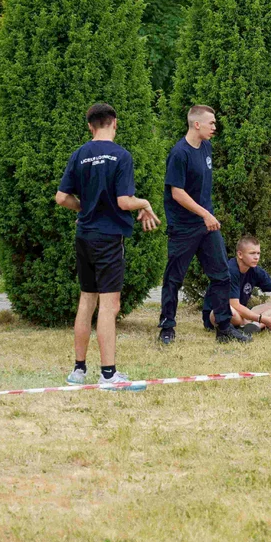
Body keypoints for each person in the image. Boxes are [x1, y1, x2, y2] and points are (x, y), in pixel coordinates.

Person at [55, 103, 160, 390]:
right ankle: (109, 375)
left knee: (86, 300)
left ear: (90, 126)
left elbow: (62, 198)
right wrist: (145, 203)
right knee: (109, 305)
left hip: (84, 236)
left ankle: (78, 371)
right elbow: (125, 202)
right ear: (115, 122)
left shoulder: (79, 155)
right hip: (109, 238)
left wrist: (85, 209)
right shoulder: (121, 156)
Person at [157, 105, 249, 345]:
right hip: (184, 227)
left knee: (221, 276)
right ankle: (167, 327)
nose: (215, 127)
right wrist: (204, 214)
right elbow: (177, 193)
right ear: (196, 124)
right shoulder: (179, 153)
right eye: (211, 123)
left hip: (207, 226)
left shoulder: (207, 147)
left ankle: (224, 327)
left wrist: (207, 216)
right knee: (173, 279)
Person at [202, 236, 271, 333]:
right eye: (252, 253)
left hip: (242, 314)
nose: (256, 257)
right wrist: (263, 319)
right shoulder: (230, 271)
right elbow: (234, 305)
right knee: (228, 310)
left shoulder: (256, 271)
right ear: (240, 254)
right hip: (219, 315)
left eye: (258, 253)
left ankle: (253, 326)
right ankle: (254, 324)